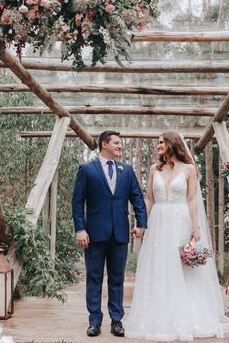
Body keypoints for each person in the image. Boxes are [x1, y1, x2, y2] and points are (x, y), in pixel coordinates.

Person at [124, 131, 229, 341]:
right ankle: (158, 317)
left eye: (161, 142)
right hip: (159, 223)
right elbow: (149, 199)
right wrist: (140, 225)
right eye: (157, 142)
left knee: (183, 269)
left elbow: (191, 200)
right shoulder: (154, 169)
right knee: (159, 267)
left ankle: (190, 317)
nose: (158, 145)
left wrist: (195, 228)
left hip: (181, 221)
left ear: (173, 143)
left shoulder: (189, 169)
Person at [72, 130, 148, 338]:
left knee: (117, 278)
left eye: (120, 143)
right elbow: (77, 203)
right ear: (104, 144)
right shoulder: (87, 170)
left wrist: (141, 224)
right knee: (94, 278)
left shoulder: (127, 170)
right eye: (116, 143)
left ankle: (117, 321)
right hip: (94, 234)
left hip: (120, 234)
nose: (120, 146)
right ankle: (94, 321)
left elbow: (137, 199)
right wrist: (80, 229)